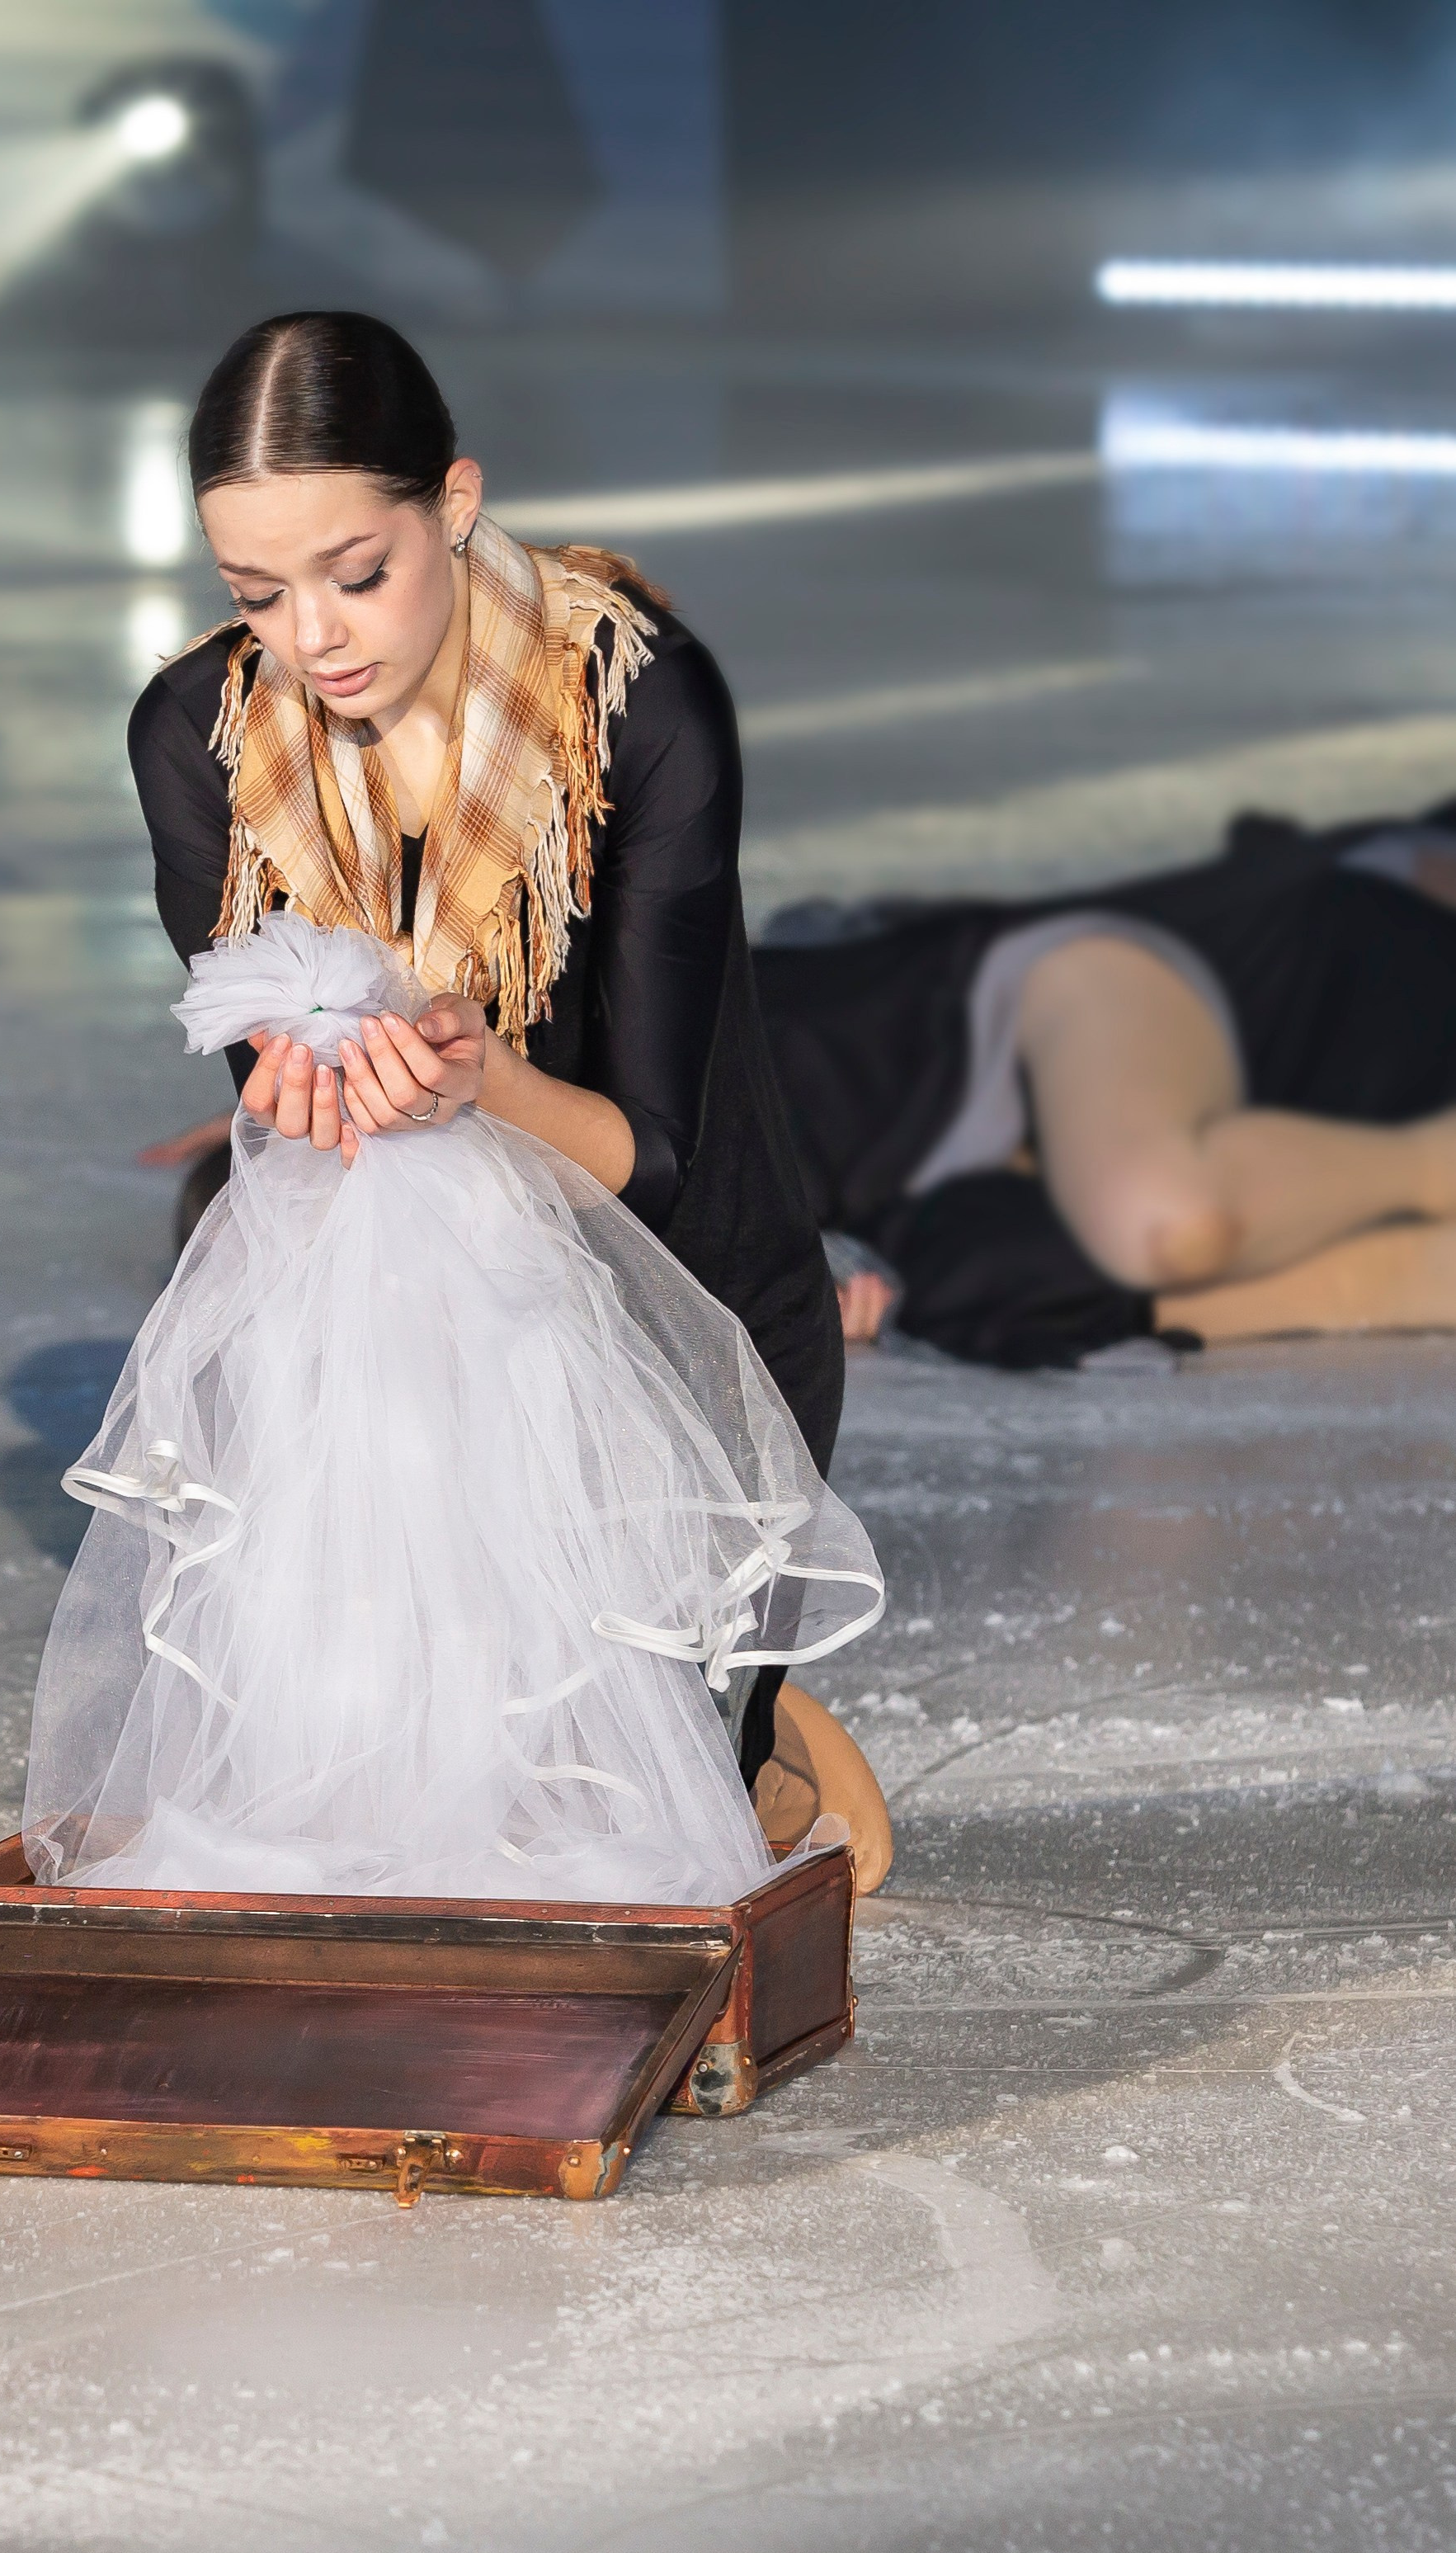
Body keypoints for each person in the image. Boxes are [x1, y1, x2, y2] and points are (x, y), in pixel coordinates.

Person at [111, 310, 894, 1886]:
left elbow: (664, 1162)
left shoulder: (636, 703)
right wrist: (313, 1086)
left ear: (452, 505)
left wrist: (488, 1081)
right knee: (354, 1823)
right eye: (257, 593)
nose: (313, 635)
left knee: (619, 1843)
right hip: (384, 1323)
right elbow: (268, 1083)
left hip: (679, 1301)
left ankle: (747, 1728)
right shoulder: (198, 738)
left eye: (357, 570)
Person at [752, 806, 1456, 1369]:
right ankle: (1397, 1263)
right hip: (933, 1200)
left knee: (1161, 1218)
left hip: (999, 1013)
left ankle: (1432, 1170)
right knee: (1001, 1283)